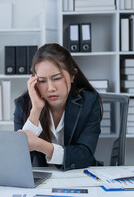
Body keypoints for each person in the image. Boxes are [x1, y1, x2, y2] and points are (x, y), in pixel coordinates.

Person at [14, 43, 102, 171]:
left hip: (78, 176)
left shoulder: (88, 102)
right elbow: (20, 159)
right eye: (42, 81)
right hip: (40, 182)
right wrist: (36, 110)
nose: (50, 88)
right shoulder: (23, 104)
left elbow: (85, 155)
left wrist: (40, 145)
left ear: (72, 75)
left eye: (56, 78)